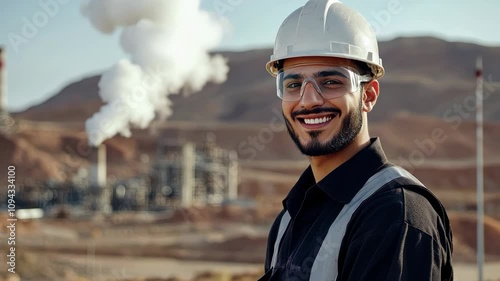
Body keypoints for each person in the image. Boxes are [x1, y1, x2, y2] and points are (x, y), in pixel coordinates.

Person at [259, 0, 453, 280]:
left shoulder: (395, 214)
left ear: (369, 95)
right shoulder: (289, 217)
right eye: (293, 84)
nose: (309, 100)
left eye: (331, 82)